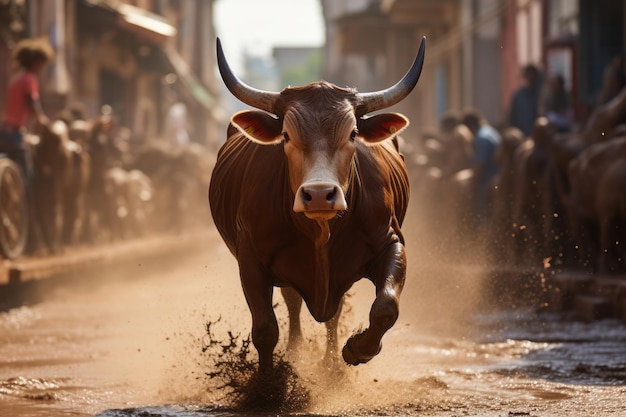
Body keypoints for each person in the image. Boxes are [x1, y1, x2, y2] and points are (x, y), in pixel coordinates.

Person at [0, 37, 53, 189]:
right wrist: (42, 120)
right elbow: (32, 102)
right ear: (37, 63)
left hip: (3, 130)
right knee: (27, 179)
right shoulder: (30, 79)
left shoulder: (15, 79)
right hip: (15, 134)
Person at [461, 109, 501, 227]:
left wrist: (471, 187)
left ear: (471, 127)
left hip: (489, 178)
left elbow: (480, 166)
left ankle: (480, 224)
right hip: (495, 174)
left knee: (474, 195)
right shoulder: (490, 132)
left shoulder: (481, 138)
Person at [508, 64, 542, 137]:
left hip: (537, 135)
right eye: (528, 75)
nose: (530, 77)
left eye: (532, 75)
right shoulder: (519, 95)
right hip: (522, 133)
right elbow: (513, 115)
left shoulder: (540, 93)